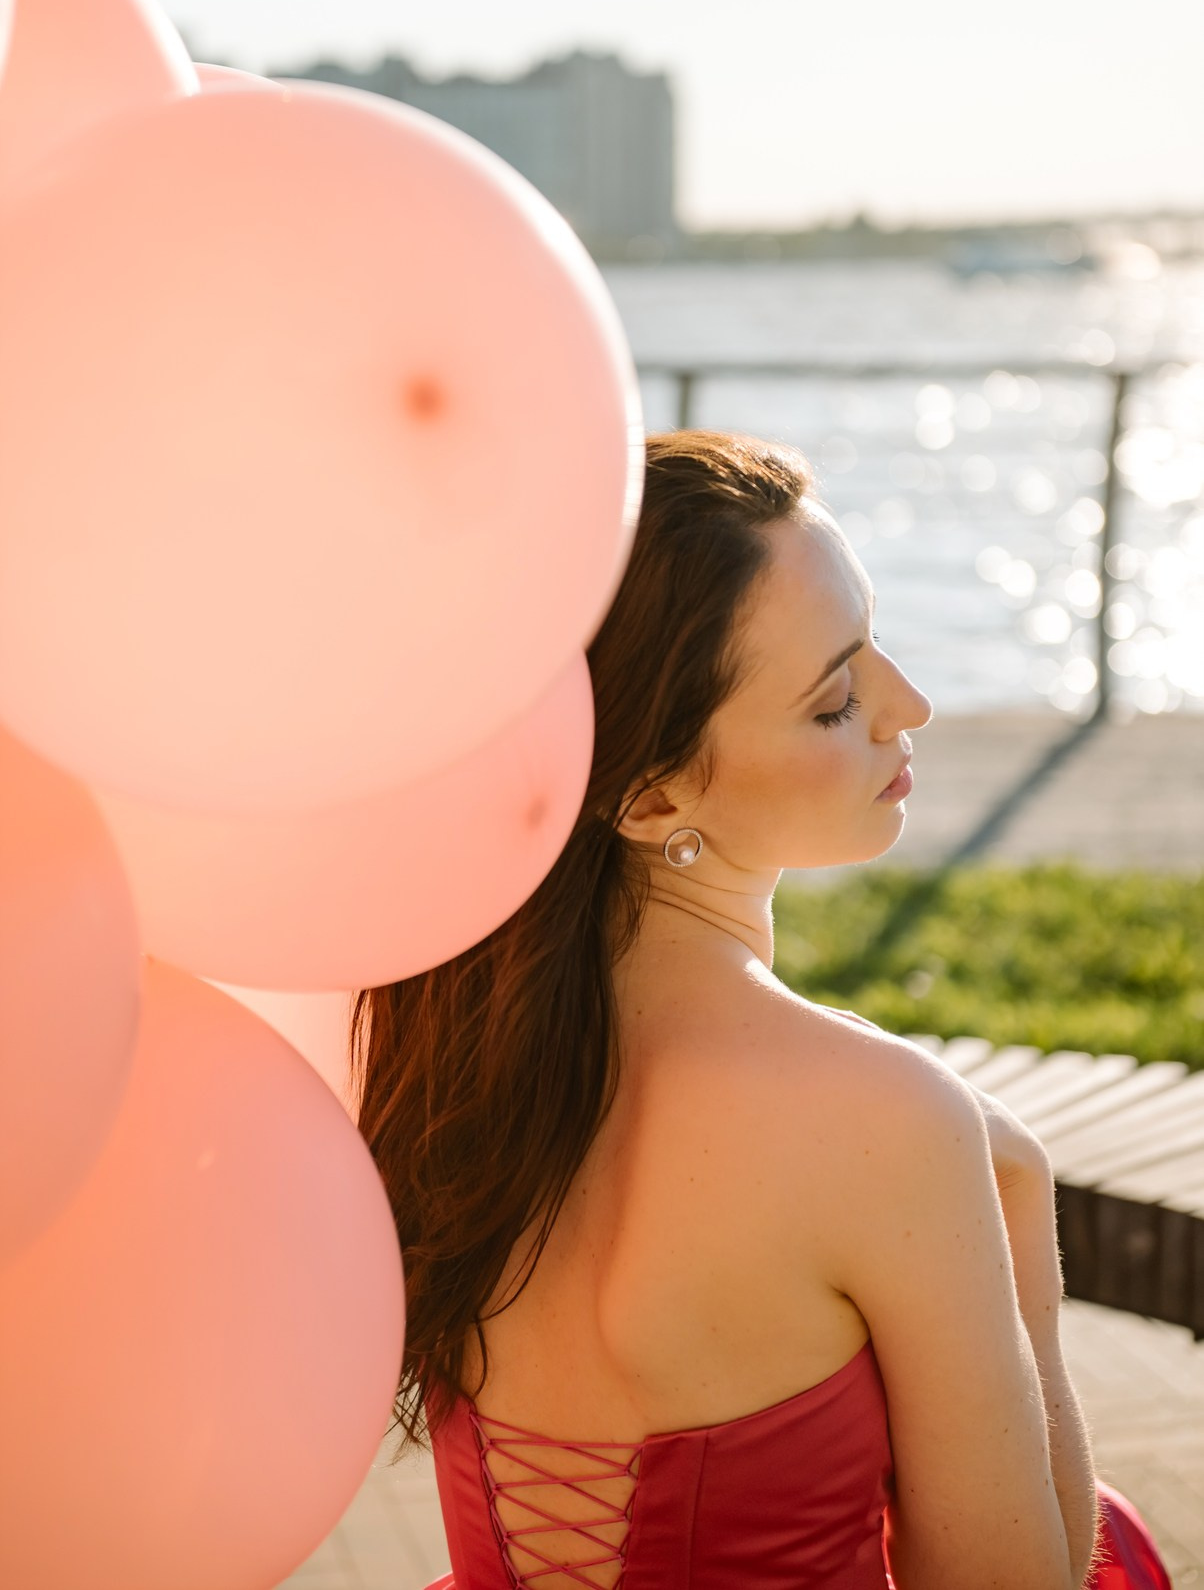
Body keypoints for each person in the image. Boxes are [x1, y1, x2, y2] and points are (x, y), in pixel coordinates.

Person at [352, 430, 1172, 1589]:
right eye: (835, 699)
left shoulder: (438, 1069)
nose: (908, 704)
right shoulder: (882, 1122)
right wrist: (1022, 1237)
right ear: (650, 797)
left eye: (873, 639)